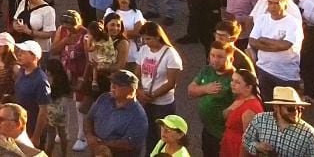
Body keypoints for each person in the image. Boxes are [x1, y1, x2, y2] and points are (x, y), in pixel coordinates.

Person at [251, 0, 305, 98]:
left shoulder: (293, 18)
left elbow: (286, 45)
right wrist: (275, 45)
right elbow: (253, 40)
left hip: (286, 75)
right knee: (266, 108)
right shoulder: (262, 12)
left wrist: (264, 40)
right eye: (270, 3)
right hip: (264, 70)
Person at [132, 22, 182, 153]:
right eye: (143, 38)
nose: (145, 42)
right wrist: (139, 91)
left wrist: (151, 96)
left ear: (158, 37)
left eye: (148, 38)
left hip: (163, 104)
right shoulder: (143, 50)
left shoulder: (171, 54)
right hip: (146, 101)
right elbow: (136, 73)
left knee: (164, 138)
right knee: (149, 137)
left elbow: (171, 83)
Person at [241, 87, 314, 157]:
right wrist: (257, 146)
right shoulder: (260, 120)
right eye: (291, 109)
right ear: (276, 107)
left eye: (300, 109)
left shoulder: (310, 136)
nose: (296, 112)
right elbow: (246, 140)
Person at [84, 70, 149, 157]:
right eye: (112, 83)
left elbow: (128, 144)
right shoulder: (104, 98)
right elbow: (89, 118)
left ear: (131, 90)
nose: (113, 87)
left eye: (118, 85)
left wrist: (101, 144)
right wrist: (89, 135)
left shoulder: (139, 116)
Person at [189, 43, 237, 157]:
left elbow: (239, 106)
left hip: (222, 135)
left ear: (231, 58)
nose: (215, 60)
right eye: (212, 55)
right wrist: (205, 89)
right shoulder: (207, 70)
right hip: (207, 130)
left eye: (220, 57)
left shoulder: (235, 79)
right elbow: (190, 91)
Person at [10, 41, 52, 149]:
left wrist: (36, 136)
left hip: (32, 130)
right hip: (20, 128)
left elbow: (44, 110)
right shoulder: (22, 73)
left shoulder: (41, 80)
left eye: (23, 53)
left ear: (34, 57)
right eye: (19, 52)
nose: (19, 55)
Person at [223, 69, 265, 157]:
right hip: (230, 147)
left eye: (237, 82)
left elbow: (249, 140)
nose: (232, 84)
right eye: (232, 80)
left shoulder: (250, 108)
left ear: (248, 87)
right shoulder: (240, 98)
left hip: (237, 151)